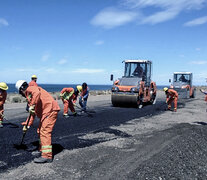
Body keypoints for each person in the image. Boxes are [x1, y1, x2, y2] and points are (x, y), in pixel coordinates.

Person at [15, 80, 60, 163]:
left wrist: (32, 105)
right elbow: (32, 113)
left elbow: (37, 93)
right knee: (40, 131)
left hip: (50, 110)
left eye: (20, 93)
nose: (21, 95)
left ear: (21, 89)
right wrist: (27, 124)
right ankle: (42, 150)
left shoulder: (31, 89)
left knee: (44, 132)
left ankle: (47, 156)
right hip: (46, 112)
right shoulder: (30, 97)